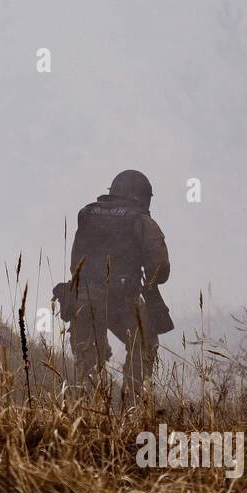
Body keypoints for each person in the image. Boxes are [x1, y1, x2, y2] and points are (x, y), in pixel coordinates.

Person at [57, 169, 171, 405]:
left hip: (83, 295)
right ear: (142, 197)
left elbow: (74, 263)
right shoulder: (140, 220)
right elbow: (160, 270)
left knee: (87, 362)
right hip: (123, 298)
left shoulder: (87, 213)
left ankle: (84, 418)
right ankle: (130, 409)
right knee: (145, 344)